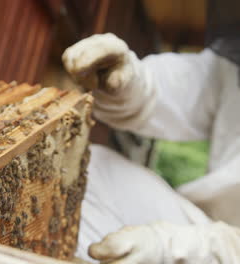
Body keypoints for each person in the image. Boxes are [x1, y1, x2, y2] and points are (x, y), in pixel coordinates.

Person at [62, 1, 240, 263]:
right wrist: (124, 78)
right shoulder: (232, 66)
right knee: (89, 170)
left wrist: (171, 248)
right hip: (205, 227)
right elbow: (174, 89)